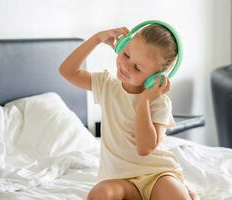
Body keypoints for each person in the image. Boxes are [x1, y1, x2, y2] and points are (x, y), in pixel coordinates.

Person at [59, 22, 197, 200]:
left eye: (138, 68)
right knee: (98, 195)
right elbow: (67, 71)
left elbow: (145, 148)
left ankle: (181, 188)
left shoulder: (159, 102)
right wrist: (97, 39)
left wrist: (144, 101)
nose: (125, 66)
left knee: (175, 195)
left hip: (156, 174)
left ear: (156, 77)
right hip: (119, 179)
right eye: (126, 54)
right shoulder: (106, 85)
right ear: (122, 45)